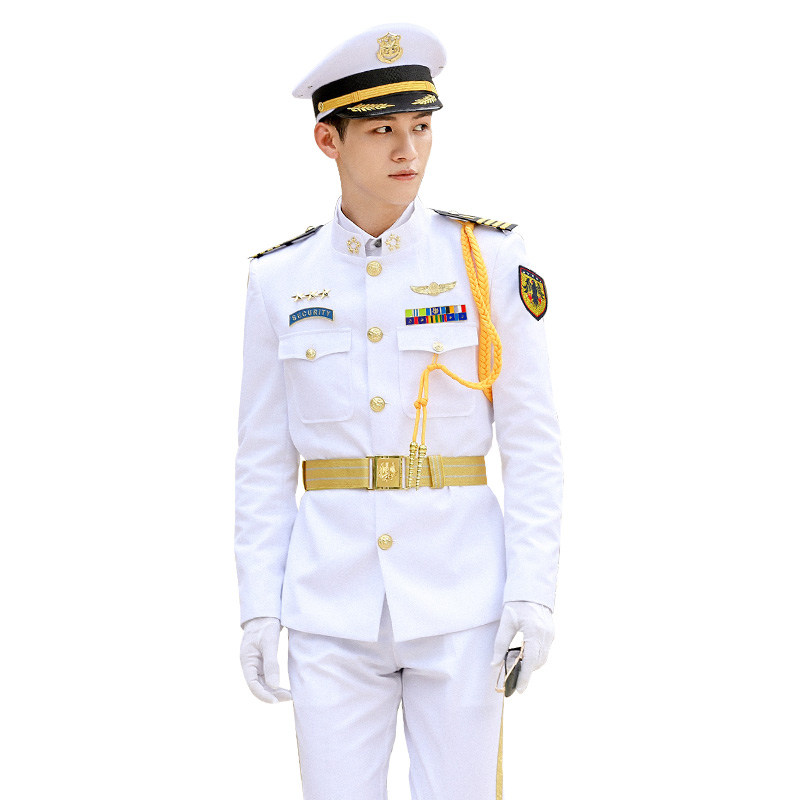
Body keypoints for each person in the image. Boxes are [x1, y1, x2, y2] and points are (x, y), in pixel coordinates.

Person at [235, 23, 562, 800]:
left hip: (461, 598)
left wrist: (533, 589)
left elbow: (532, 440)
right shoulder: (280, 279)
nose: (407, 150)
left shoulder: (486, 260)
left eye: (420, 127)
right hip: (330, 603)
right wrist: (257, 608)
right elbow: (261, 460)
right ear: (328, 140)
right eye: (382, 130)